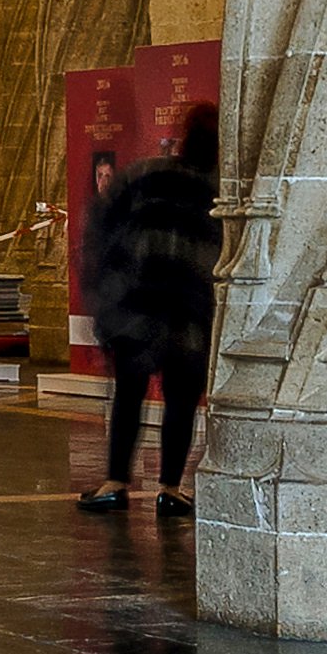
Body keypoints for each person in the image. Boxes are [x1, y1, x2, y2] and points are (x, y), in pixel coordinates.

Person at [79, 106, 221, 513]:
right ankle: (170, 487)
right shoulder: (216, 189)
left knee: (129, 394)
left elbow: (100, 227)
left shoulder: (143, 176)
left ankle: (115, 480)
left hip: (135, 312)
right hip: (188, 316)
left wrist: (105, 295)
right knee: (180, 401)